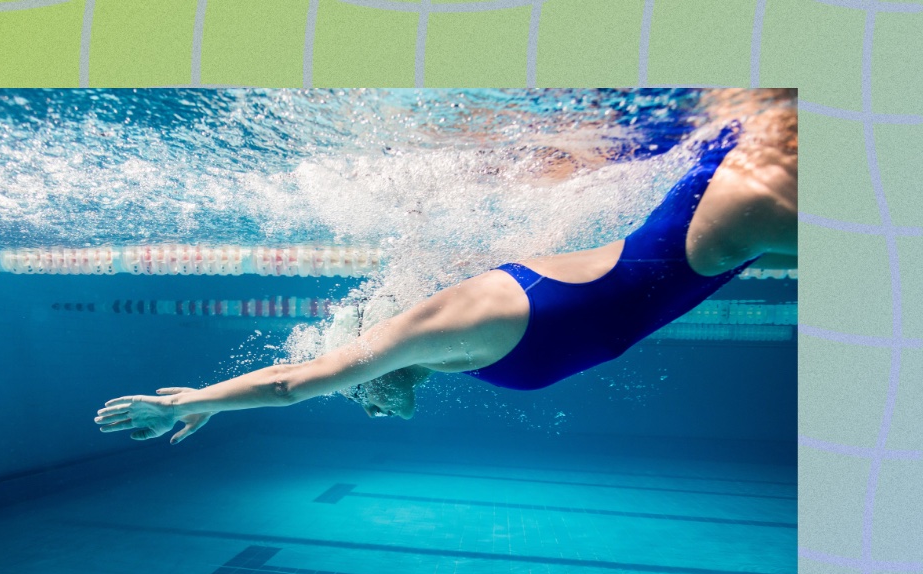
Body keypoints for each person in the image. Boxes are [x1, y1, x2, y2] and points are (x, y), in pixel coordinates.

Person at [95, 112, 797, 444]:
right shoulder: (448, 328)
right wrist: (201, 399)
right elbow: (292, 383)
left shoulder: (469, 336)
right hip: (731, 221)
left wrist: (207, 401)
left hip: (732, 218)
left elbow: (294, 382)